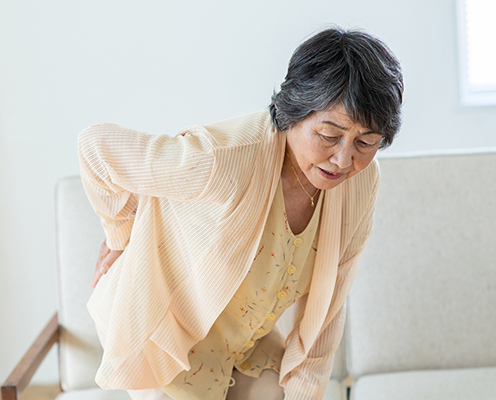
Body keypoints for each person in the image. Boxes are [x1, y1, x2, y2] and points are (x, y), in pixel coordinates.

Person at [77, 27, 403, 400]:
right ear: (294, 110)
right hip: (162, 338)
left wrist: (305, 391)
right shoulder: (222, 161)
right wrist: (122, 239)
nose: (344, 159)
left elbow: (328, 304)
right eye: (329, 135)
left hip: (244, 346)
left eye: (366, 142)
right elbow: (95, 147)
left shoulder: (361, 183)